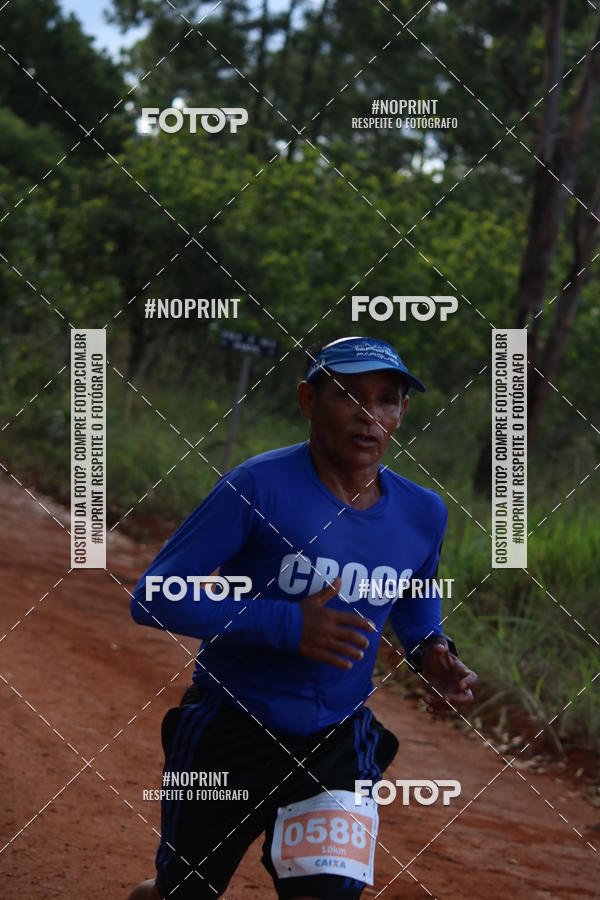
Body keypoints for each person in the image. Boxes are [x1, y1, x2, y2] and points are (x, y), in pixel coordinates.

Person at [127, 336, 477, 900]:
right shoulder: (256, 487)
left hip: (334, 738)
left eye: (387, 399)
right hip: (230, 730)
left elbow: (415, 594)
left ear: (402, 411)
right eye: (348, 395)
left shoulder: (423, 511)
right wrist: (288, 625)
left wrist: (430, 648)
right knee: (181, 893)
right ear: (307, 401)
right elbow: (154, 596)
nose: (369, 416)